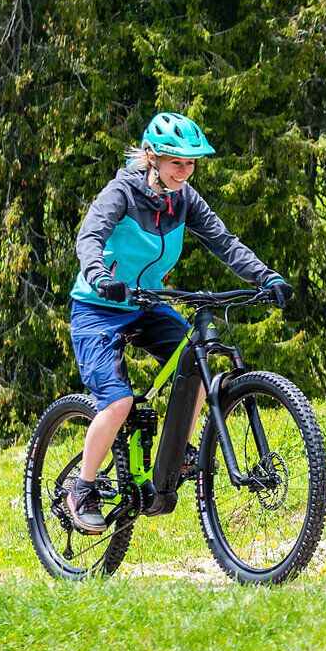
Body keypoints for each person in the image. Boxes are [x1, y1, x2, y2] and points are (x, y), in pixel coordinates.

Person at [64, 112, 291, 533]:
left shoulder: (186, 199)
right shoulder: (122, 192)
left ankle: (180, 451)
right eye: (176, 163)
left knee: (198, 362)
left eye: (190, 164)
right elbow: (90, 237)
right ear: (151, 157)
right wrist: (99, 275)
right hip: (99, 306)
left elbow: (225, 244)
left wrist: (266, 276)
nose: (184, 172)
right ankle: (82, 487)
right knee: (117, 401)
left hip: (148, 302)